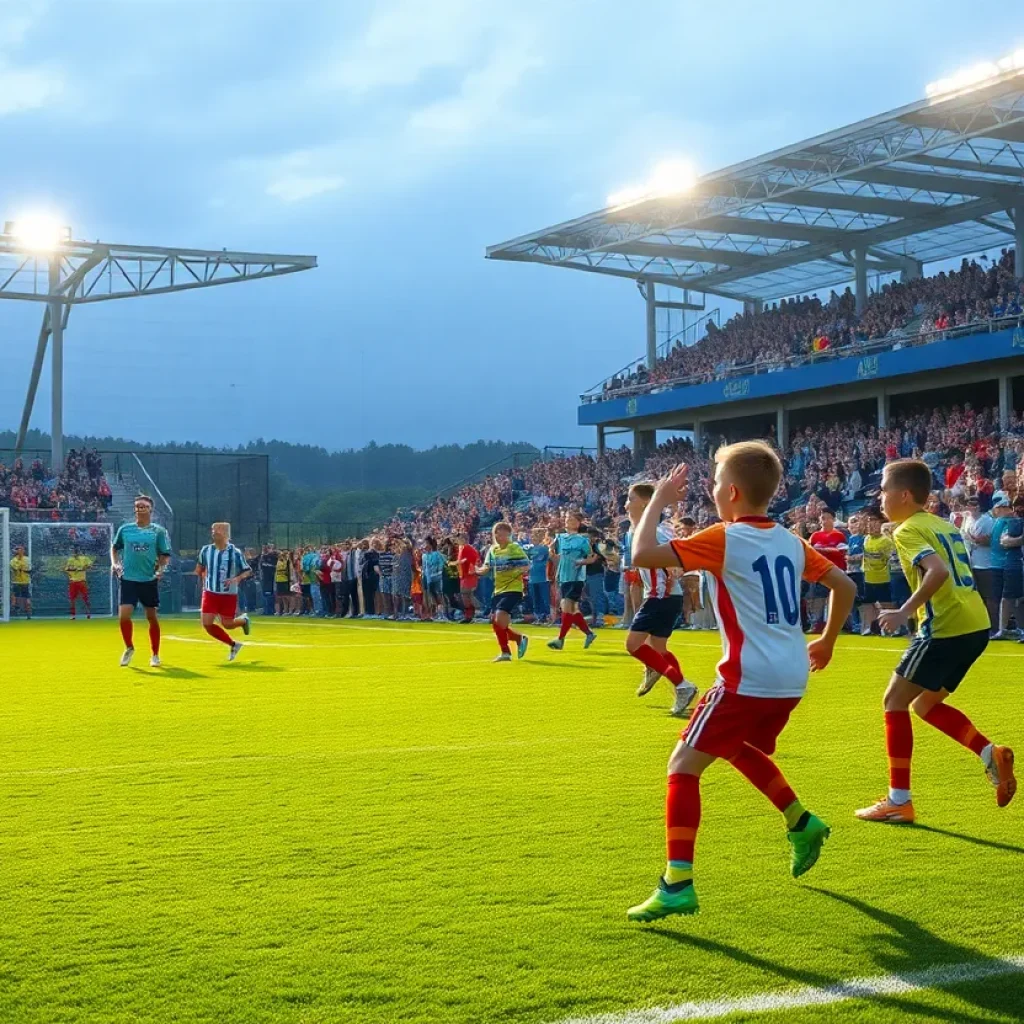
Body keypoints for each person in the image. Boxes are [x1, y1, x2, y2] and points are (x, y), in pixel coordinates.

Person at [625, 442, 856, 921]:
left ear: (729, 492)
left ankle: (677, 883)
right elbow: (846, 586)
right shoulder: (791, 540)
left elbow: (643, 553)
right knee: (729, 747)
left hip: (747, 675)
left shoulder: (725, 537)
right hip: (791, 676)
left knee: (682, 766)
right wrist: (828, 640)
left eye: (713, 483)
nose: (710, 490)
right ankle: (801, 821)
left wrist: (657, 504)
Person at [855, 459, 1016, 824]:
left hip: (946, 626)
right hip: (975, 624)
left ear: (904, 494)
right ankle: (991, 752)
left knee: (894, 703)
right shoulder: (942, 524)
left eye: (883, 489)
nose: (879, 497)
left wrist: (903, 611)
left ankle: (899, 800)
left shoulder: (906, 529)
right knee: (924, 705)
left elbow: (938, 572)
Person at [625, 483, 698, 718]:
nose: (626, 504)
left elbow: (677, 552)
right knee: (658, 648)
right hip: (658, 594)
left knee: (634, 645)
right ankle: (675, 685)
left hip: (663, 595)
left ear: (645, 503)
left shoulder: (656, 530)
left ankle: (682, 684)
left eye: (630, 499)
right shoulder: (632, 531)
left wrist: (675, 567)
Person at [111, 495, 172, 668]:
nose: (140, 509)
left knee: (151, 617)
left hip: (148, 580)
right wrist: (115, 563)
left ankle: (155, 654)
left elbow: (165, 555)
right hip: (128, 579)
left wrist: (161, 570)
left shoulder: (158, 531)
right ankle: (129, 647)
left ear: (150, 509)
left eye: (143, 506)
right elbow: (115, 548)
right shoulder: (125, 529)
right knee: (123, 617)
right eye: (137, 506)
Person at [194, 522, 252, 662]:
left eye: (218, 530)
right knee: (207, 623)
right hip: (210, 592)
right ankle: (233, 645)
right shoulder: (206, 550)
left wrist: (237, 579)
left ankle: (244, 620)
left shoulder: (235, 552)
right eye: (213, 529)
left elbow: (247, 570)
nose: (214, 532)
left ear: (226, 534)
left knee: (227, 624)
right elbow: (199, 568)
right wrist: (202, 578)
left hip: (228, 594)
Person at [475, 522, 531, 662]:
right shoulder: (493, 550)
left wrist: (518, 570)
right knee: (496, 622)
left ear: (508, 534)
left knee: (499, 616)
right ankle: (510, 647)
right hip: (498, 589)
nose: (498, 536)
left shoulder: (514, 548)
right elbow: (486, 567)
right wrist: (476, 570)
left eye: (501, 533)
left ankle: (511, 647)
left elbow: (526, 564)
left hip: (513, 588)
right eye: (496, 533)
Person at [547, 511, 597, 651]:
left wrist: (581, 562)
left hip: (576, 578)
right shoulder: (560, 538)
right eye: (568, 518)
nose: (569, 521)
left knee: (567, 607)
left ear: (578, 523)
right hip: (563, 576)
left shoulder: (582, 540)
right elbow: (552, 551)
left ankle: (560, 639)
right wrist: (553, 555)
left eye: (573, 519)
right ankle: (589, 634)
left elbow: (592, 557)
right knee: (572, 610)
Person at [807, 510, 847, 632]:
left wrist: (823, 550)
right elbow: (809, 552)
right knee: (817, 598)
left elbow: (842, 552)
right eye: (822, 518)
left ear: (833, 520)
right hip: (819, 571)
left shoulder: (839, 535)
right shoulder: (815, 536)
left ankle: (834, 625)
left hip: (835, 570)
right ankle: (815, 624)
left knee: (833, 599)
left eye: (827, 518)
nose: (824, 521)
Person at [860, 509, 894, 635]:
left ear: (881, 523)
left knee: (886, 603)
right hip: (868, 576)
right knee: (869, 603)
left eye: (874, 521)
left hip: (883, 577)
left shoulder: (886, 541)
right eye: (869, 521)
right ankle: (872, 627)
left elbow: (890, 559)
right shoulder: (867, 539)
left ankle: (889, 628)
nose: (870, 524)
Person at [455, 533, 481, 623]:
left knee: (467, 594)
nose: (457, 541)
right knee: (466, 595)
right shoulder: (462, 548)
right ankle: (469, 616)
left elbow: (476, 560)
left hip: (468, 576)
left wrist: (472, 570)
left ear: (464, 539)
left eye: (459, 539)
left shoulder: (468, 548)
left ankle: (476, 613)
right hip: (464, 576)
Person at [63, 544, 94, 619]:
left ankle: (88, 613)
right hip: (73, 581)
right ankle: (73, 615)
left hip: (81, 581)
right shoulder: (70, 559)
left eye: (76, 550)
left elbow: (90, 565)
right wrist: (72, 570)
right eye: (74, 550)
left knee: (85, 598)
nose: (75, 551)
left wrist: (85, 567)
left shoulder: (84, 558)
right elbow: (66, 569)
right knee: (72, 599)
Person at [527, 528, 550, 624]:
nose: (532, 538)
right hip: (532, 578)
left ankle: (546, 616)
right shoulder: (530, 549)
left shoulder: (544, 549)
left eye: (534, 536)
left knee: (544, 598)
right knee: (535, 599)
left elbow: (539, 559)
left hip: (542, 578)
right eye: (531, 536)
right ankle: (539, 617)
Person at [421, 537, 446, 621]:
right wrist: (423, 575)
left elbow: (441, 565)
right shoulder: (424, 556)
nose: (424, 546)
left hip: (436, 578)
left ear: (430, 545)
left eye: (426, 544)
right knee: (429, 595)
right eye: (424, 544)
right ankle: (431, 614)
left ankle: (442, 614)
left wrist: (437, 573)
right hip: (426, 578)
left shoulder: (437, 554)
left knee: (438, 594)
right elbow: (424, 567)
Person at [259, 544, 278, 617]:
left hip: (271, 578)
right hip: (264, 578)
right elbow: (261, 565)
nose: (267, 549)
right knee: (264, 595)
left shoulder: (274, 557)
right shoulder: (263, 557)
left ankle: (270, 610)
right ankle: (265, 610)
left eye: (269, 548)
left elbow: (273, 566)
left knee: (269, 595)